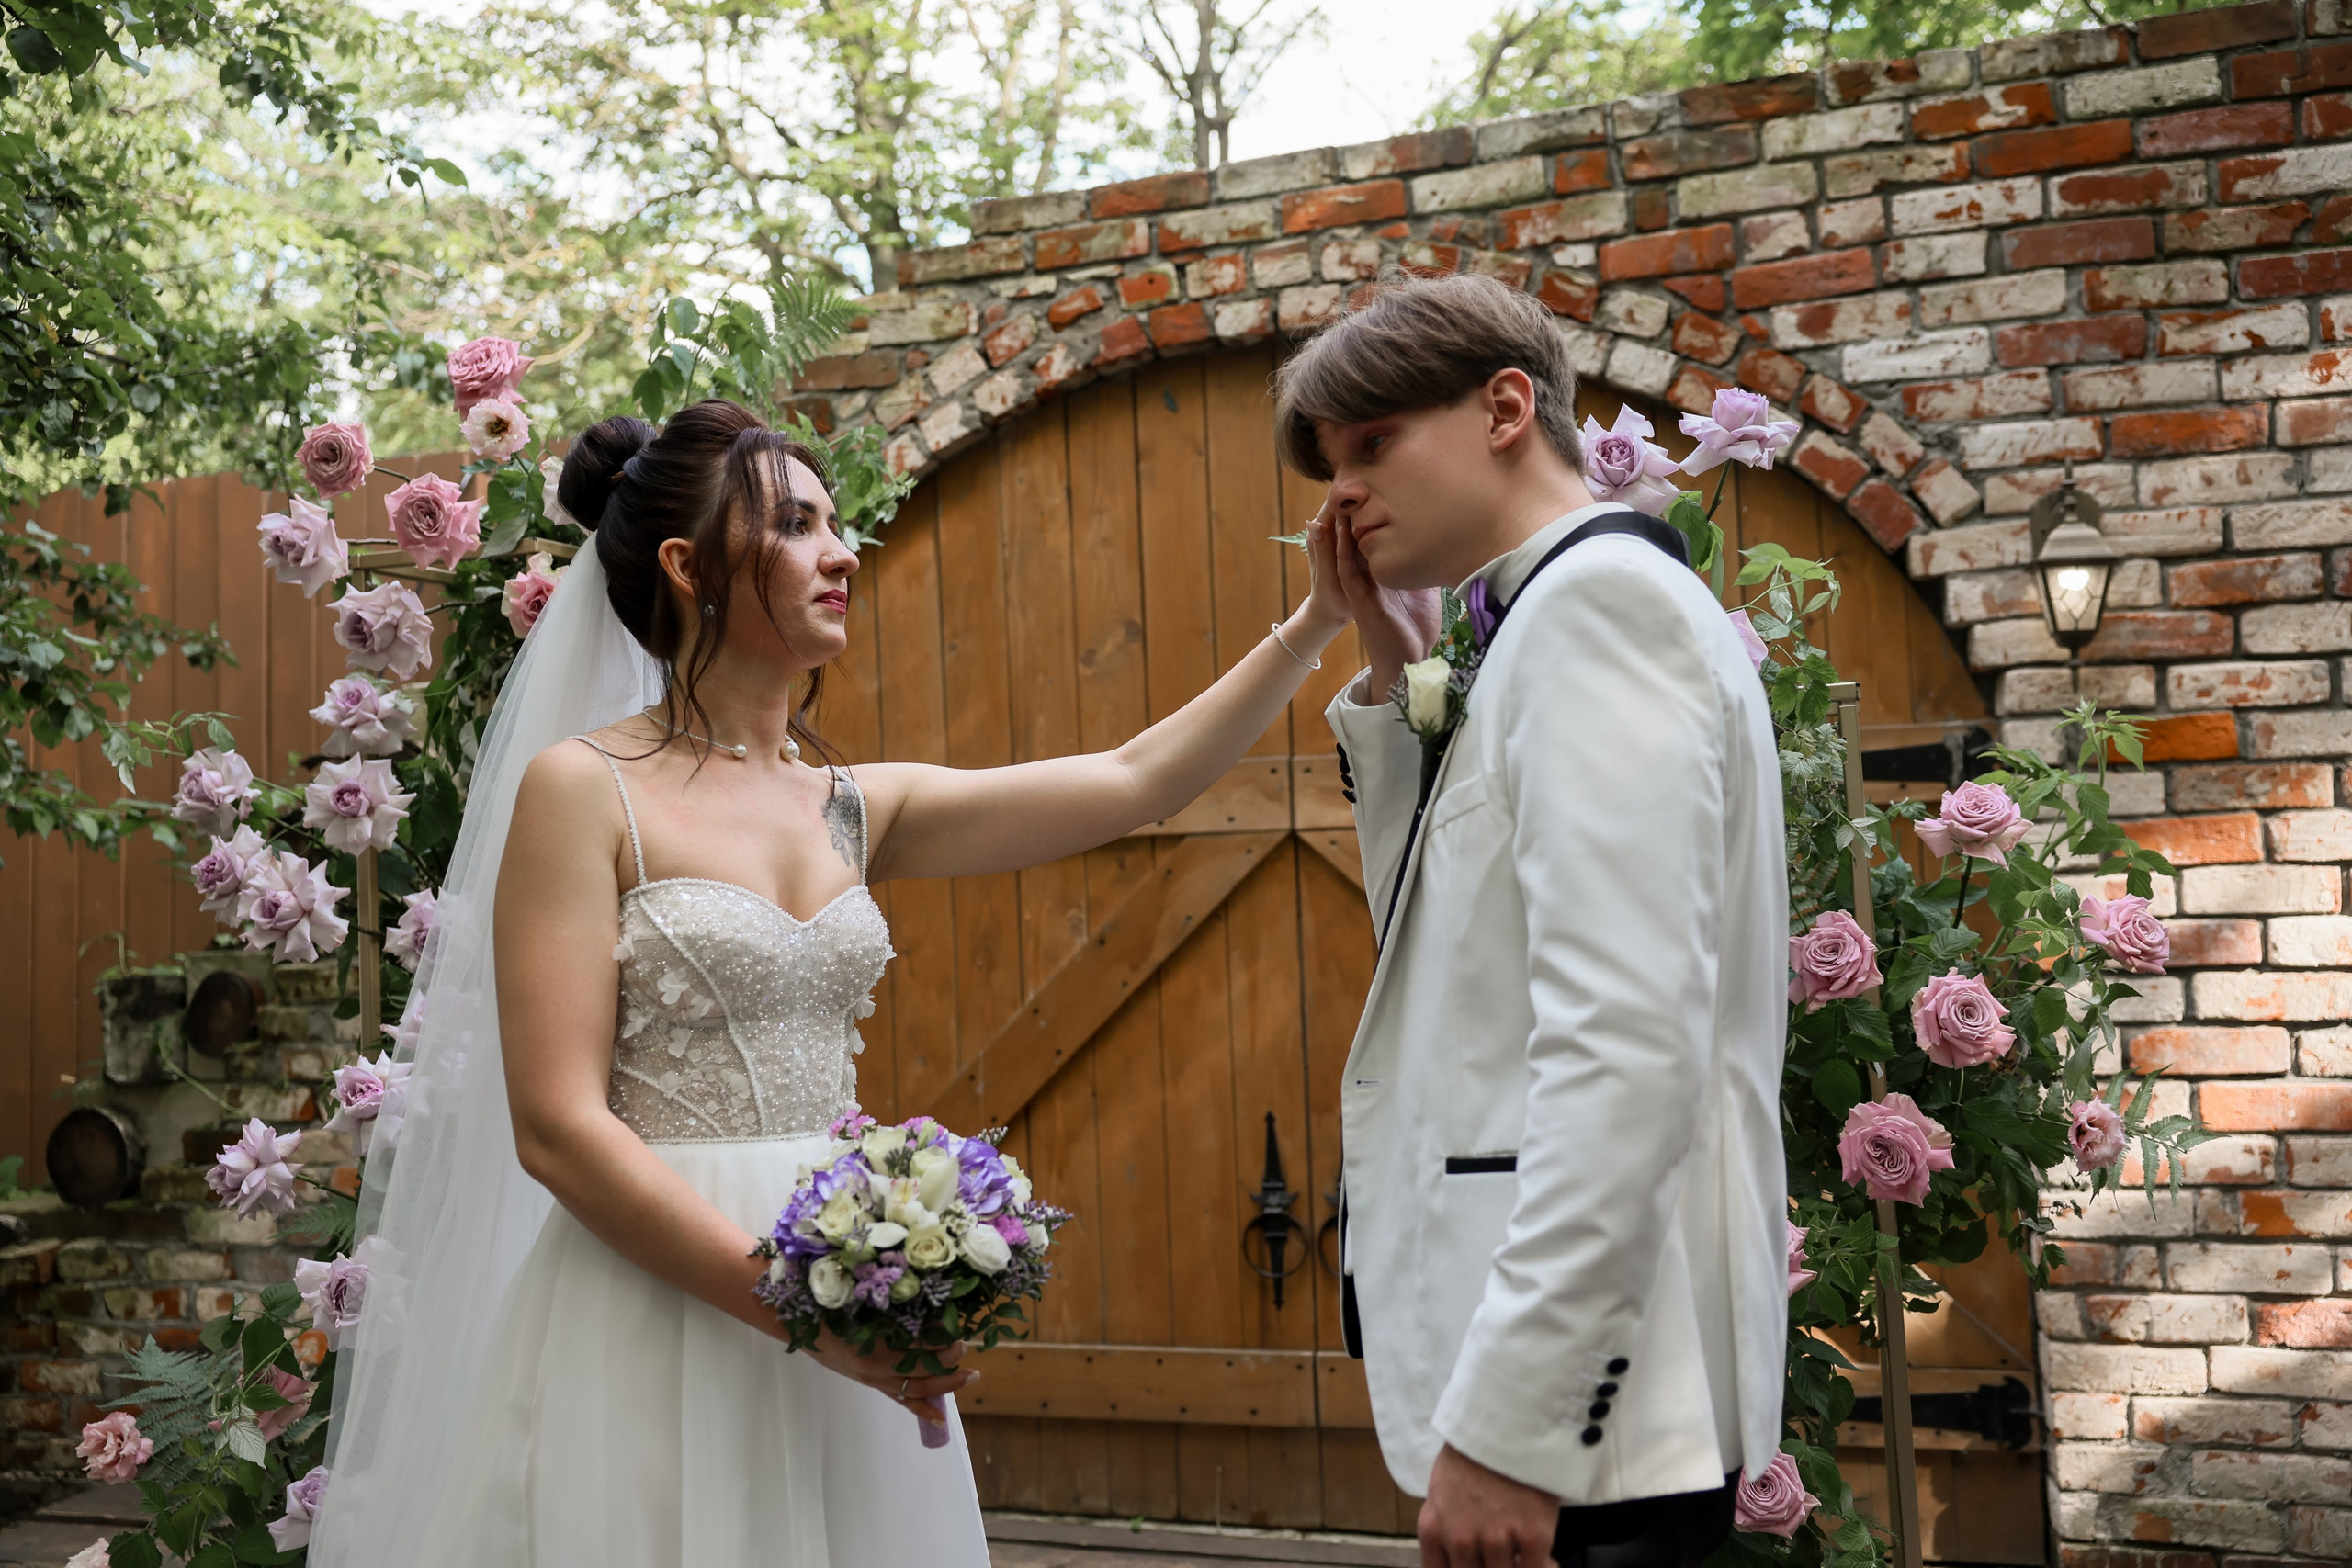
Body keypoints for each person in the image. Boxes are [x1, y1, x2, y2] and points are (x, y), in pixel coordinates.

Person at [310, 399, 1351, 1568]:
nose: (843, 553)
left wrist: (1318, 616)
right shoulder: (583, 789)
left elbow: (1133, 781)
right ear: (687, 567)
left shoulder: (856, 805)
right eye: (798, 525)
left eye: (835, 524)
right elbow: (556, 1128)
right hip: (660, 1310)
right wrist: (795, 1307)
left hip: (854, 1287)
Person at [1280, 272, 1789, 1568]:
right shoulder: (1537, 621)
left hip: (1598, 1427)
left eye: (1373, 443)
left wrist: (1519, 1424)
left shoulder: (1595, 612)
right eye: (1331, 466)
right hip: (1597, 1421)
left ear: (1507, 408)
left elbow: (1627, 1046)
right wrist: (1395, 671)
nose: (1341, 495)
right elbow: (1454, 952)